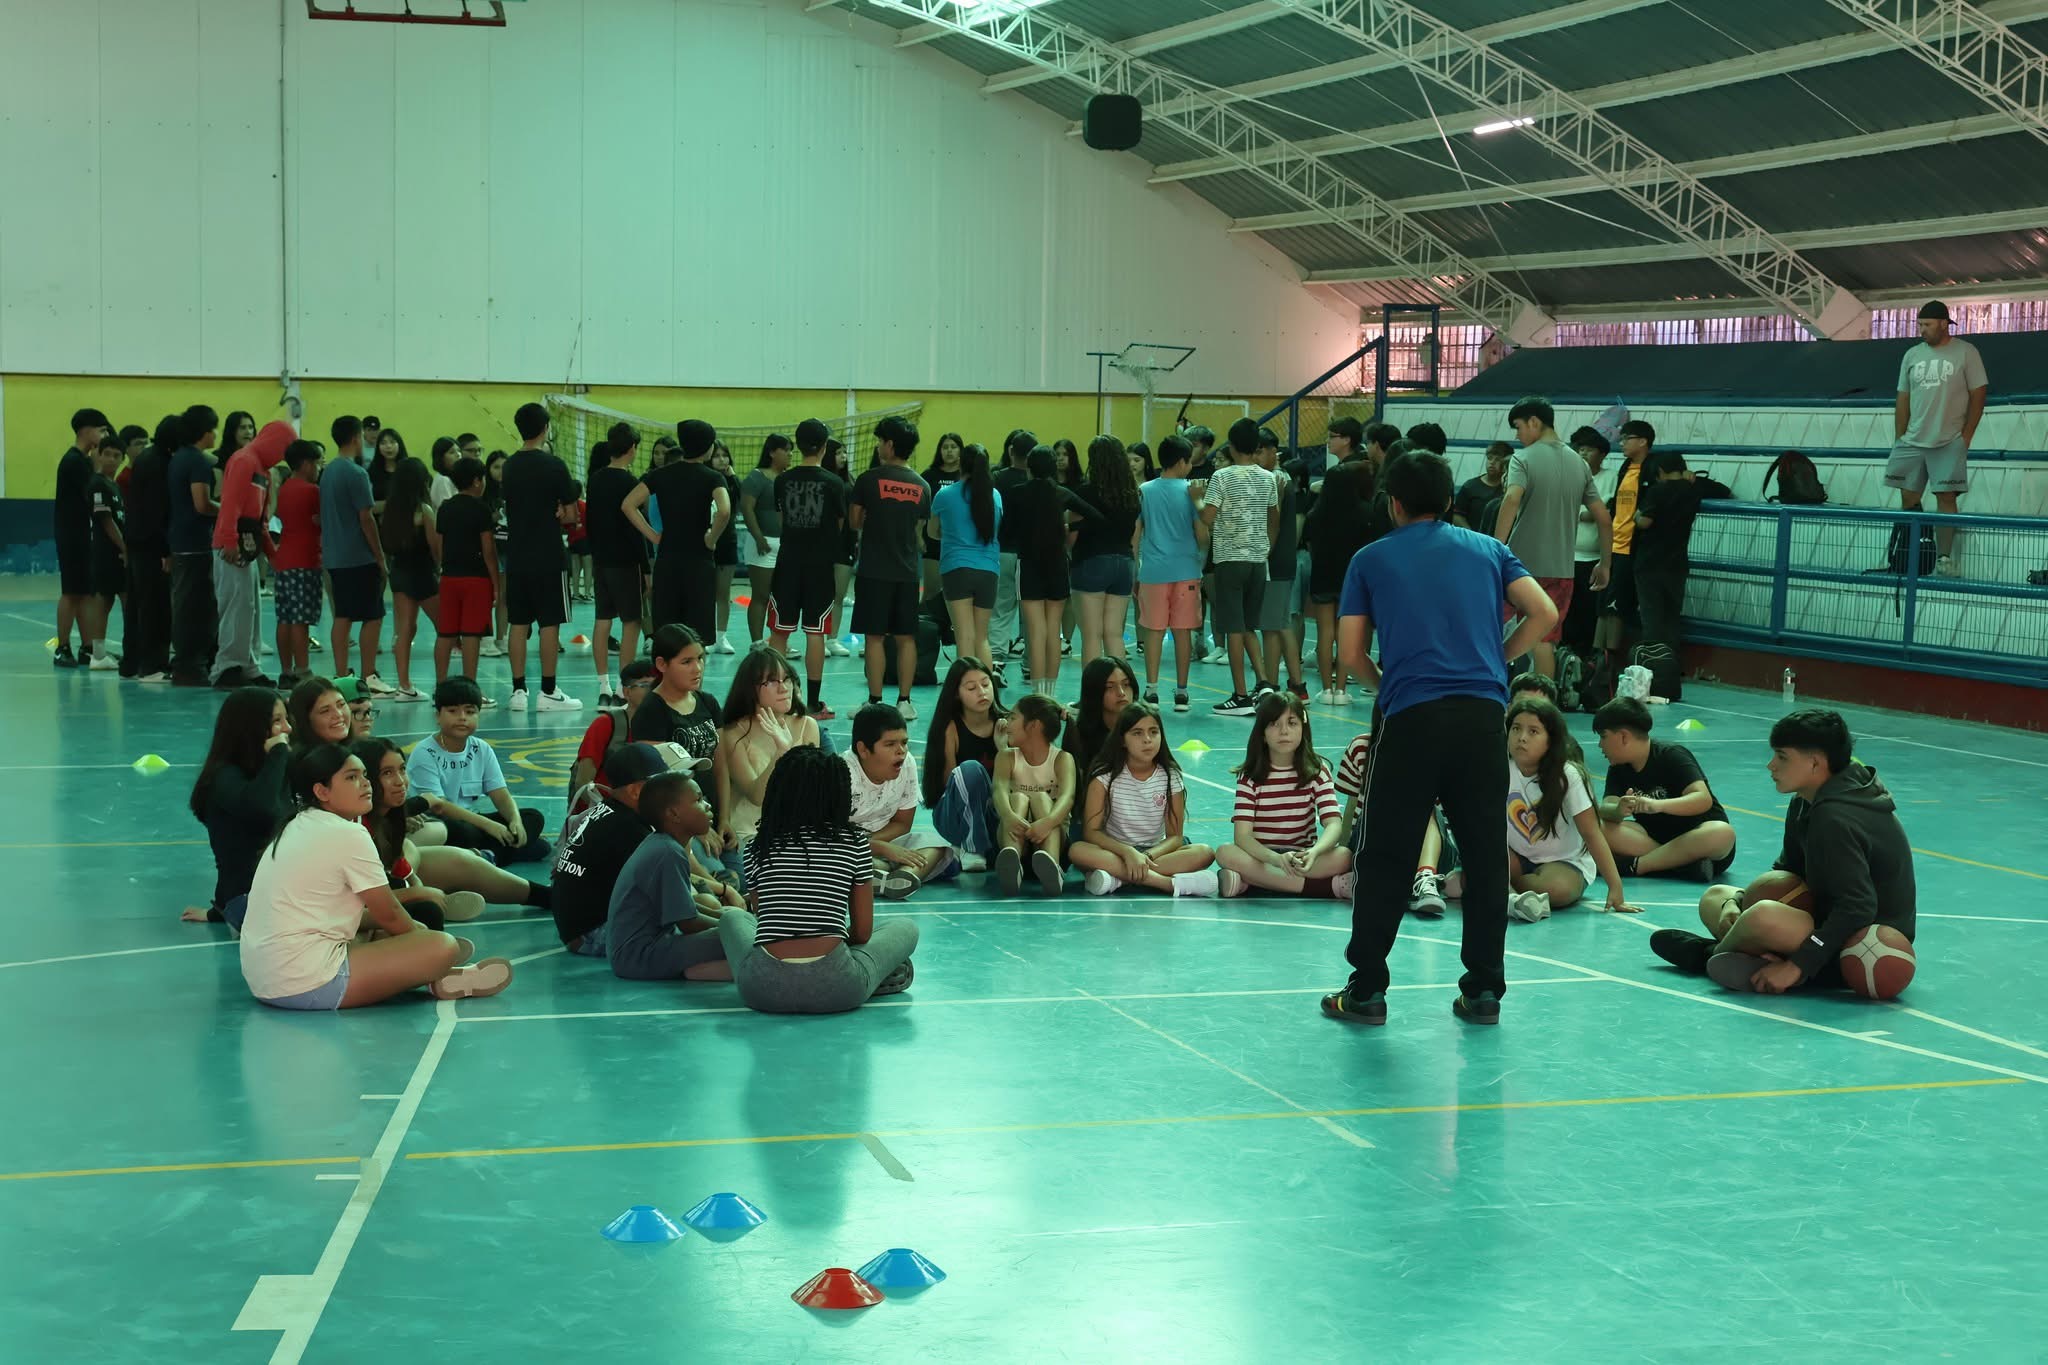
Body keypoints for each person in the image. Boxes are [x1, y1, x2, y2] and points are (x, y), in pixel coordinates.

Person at [1323, 449, 1560, 1028]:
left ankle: (1367, 989)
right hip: (1482, 718)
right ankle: (1483, 992)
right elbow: (1544, 612)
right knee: (1483, 854)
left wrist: (1390, 687)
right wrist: (1498, 661)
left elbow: (1351, 653)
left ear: (1393, 503)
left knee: (1387, 851)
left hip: (1411, 718)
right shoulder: (1488, 550)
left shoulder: (1370, 559)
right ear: (1451, 501)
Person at [1651, 710, 1917, 996]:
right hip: (1824, 920)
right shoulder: (1808, 799)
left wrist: (1798, 966)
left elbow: (1858, 908)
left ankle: (1708, 956)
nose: (1771, 765)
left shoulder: (1836, 817)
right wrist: (1739, 902)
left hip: (1860, 946)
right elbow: (1786, 872)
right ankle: (1750, 955)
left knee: (1762, 916)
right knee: (1717, 897)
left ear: (1815, 763)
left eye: (1782, 757)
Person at [239, 744, 513, 1008]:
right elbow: (389, 913)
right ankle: (437, 972)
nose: (365, 783)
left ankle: (432, 972)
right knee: (442, 945)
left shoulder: (296, 825)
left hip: (264, 979)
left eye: (364, 775)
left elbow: (350, 915)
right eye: (351, 777)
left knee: (379, 933)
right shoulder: (347, 833)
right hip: (308, 984)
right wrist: (419, 939)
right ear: (322, 791)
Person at [717, 745, 918, 1013]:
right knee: (904, 927)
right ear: (839, 793)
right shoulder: (855, 841)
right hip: (839, 987)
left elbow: (762, 921)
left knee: (732, 917)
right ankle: (872, 976)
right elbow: (862, 932)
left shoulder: (757, 846)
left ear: (778, 791)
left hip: (761, 990)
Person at [358, 736, 551, 916]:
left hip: (391, 881)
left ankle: (551, 897)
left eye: (402, 769)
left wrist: (416, 886)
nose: (400, 781)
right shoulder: (354, 825)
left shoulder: (392, 812)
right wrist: (418, 894)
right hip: (362, 905)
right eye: (387, 773)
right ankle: (424, 903)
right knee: (439, 933)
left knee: (460, 859)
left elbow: (431, 800)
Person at [1493, 397, 1611, 680]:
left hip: (1518, 567)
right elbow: (1604, 519)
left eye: (1518, 427)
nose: (1518, 435)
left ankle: (1486, 689)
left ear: (1534, 422)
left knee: (1490, 627)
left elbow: (1511, 499)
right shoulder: (1579, 463)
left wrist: (1494, 547)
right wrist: (1605, 564)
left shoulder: (1523, 458)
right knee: (1544, 640)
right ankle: (1543, 705)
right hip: (1561, 570)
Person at [1502, 698, 1635, 921]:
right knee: (1485, 858)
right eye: (1516, 729)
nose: (1522, 737)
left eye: (1533, 731)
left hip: (1564, 862)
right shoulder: (1500, 768)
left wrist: (1615, 887)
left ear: (1550, 741)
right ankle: (1512, 898)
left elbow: (1592, 833)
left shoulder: (1568, 775)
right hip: (1516, 856)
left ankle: (1501, 890)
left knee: (1556, 890)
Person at [1069, 701, 1217, 897]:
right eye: (1137, 733)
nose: (1147, 740)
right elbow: (1092, 832)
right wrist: (1128, 853)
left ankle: (1116, 880)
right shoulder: (1104, 776)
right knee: (1077, 850)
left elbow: (1175, 836)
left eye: (1153, 732)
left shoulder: (1170, 776)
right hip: (1115, 851)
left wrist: (1145, 856)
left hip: (1156, 853)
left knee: (1205, 852)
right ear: (1122, 740)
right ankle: (1166, 884)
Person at [1215, 691, 1349, 898]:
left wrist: (1314, 852)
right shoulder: (1250, 776)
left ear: (1303, 729)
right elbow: (1242, 837)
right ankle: (1324, 888)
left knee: (1344, 856)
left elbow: (1333, 824)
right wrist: (1276, 860)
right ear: (1262, 733)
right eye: (1274, 724)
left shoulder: (1317, 771)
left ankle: (1254, 881)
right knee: (1225, 852)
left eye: (1292, 723)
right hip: (1262, 856)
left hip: (1301, 857)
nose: (1283, 731)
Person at [1887, 300, 1987, 575]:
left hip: (1948, 439)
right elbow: (1902, 397)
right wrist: (1900, 436)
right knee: (1908, 497)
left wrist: (1966, 436)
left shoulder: (1966, 352)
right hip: (1912, 439)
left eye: (1927, 325)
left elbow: (1979, 394)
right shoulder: (1911, 355)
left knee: (1945, 496)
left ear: (1944, 324)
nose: (1922, 330)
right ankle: (1911, 554)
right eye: (1920, 325)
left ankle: (1943, 558)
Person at [605, 771, 733, 982]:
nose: (708, 805)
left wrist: (728, 918)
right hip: (639, 957)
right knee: (743, 936)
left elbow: (686, 908)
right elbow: (688, 924)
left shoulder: (664, 845)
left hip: (635, 953)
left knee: (732, 920)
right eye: (699, 800)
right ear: (674, 814)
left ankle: (701, 969)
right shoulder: (668, 853)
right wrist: (733, 926)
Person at [1591, 696, 1736, 881]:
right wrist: (1618, 809)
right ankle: (1683, 866)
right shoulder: (1618, 768)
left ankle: (1637, 866)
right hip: (1655, 841)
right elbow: (1606, 808)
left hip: (1698, 839)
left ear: (1624, 736)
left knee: (1723, 833)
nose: (1600, 745)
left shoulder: (1671, 755)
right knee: (1597, 827)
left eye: (1603, 737)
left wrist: (1657, 805)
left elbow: (1702, 799)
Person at [404, 676, 548, 861]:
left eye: (470, 711)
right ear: (437, 716)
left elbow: (501, 794)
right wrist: (489, 826)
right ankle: (497, 852)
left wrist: (515, 821)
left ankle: (488, 856)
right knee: (462, 831)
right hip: (440, 824)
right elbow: (440, 807)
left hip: (472, 821)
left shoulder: (481, 748)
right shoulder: (425, 752)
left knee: (533, 818)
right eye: (453, 711)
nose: (462, 717)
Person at [183, 687, 293, 928]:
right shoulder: (223, 777)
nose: (287, 729)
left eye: (287, 719)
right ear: (251, 728)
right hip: (251, 901)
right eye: (277, 721)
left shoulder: (267, 771)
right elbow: (260, 807)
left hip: (278, 894)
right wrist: (278, 752)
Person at [551, 742, 673, 957]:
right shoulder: (628, 829)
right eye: (662, 783)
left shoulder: (608, 812)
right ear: (636, 791)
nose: (671, 790)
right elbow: (670, 897)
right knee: (691, 935)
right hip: (594, 933)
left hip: (577, 930)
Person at [499, 402, 582, 712]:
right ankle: (548, 691)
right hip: (548, 555)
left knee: (517, 624)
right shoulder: (554, 465)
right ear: (546, 428)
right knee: (550, 624)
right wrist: (561, 512)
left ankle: (518, 691)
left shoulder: (509, 466)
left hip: (517, 555)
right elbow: (572, 516)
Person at [849, 416, 931, 718]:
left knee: (874, 637)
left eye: (880, 440)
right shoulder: (922, 486)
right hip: (908, 572)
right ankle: (905, 702)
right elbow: (918, 530)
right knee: (906, 637)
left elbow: (855, 522)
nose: (878, 446)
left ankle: (874, 700)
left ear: (890, 444)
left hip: (874, 571)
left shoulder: (869, 480)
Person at [770, 418, 851, 720]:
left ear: (797, 444)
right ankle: (814, 704)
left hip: (788, 562)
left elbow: (782, 522)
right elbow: (839, 525)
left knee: (780, 631)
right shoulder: (834, 483)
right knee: (815, 632)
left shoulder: (782, 480)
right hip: (819, 565)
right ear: (825, 446)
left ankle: (773, 701)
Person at [625, 417, 729, 645]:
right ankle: (695, 678)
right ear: (708, 447)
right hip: (699, 562)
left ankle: (665, 678)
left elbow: (628, 505)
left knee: (667, 633)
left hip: (667, 561)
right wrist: (712, 538)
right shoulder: (713, 477)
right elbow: (724, 511)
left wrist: (653, 535)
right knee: (696, 637)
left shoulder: (660, 475)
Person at [1200, 419, 1280, 716]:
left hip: (1230, 560)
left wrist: (1196, 502)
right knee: (1249, 625)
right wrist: (1265, 547)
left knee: (1233, 627)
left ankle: (1240, 695)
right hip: (1258, 560)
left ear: (1231, 447)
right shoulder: (1268, 477)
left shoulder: (1221, 477)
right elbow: (1275, 519)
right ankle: (1263, 682)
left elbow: (1208, 518)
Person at [1009, 444, 1101, 699]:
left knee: (1035, 633)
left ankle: (1038, 692)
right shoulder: (1061, 493)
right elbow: (1095, 516)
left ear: (1029, 467)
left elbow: (1006, 529)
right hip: (1058, 565)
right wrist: (1067, 524)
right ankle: (1050, 693)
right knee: (1053, 632)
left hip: (1029, 566)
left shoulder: (1017, 493)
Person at [718, 646, 823, 870]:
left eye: (787, 679)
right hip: (752, 833)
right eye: (772, 681)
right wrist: (781, 751)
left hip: (797, 830)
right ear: (751, 689)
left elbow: (813, 790)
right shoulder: (734, 733)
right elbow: (758, 796)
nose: (784, 687)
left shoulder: (807, 725)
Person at [845, 703, 956, 899]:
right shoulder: (842, 773)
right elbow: (830, 838)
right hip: (848, 846)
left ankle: (900, 878)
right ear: (863, 750)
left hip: (887, 841)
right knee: (838, 857)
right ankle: (882, 872)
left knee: (936, 844)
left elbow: (902, 823)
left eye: (904, 742)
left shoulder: (907, 763)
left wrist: (885, 847)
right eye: (890, 744)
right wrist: (878, 847)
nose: (901, 751)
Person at [628, 625, 729, 839]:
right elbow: (656, 788)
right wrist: (698, 828)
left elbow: (720, 766)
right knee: (718, 873)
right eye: (687, 662)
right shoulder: (652, 712)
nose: (698, 668)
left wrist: (726, 819)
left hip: (712, 819)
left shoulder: (708, 702)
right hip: (679, 828)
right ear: (662, 664)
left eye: (700, 658)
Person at [1301, 432, 1372, 706]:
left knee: (1323, 633)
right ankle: (1342, 690)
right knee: (1346, 634)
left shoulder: (1316, 514)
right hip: (1351, 579)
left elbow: (1308, 545)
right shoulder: (1365, 512)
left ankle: (1327, 688)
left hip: (1322, 575)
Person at [320, 415, 390, 692]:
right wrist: (380, 556)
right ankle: (369, 675)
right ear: (355, 438)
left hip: (334, 556)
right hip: (359, 556)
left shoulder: (328, 472)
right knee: (373, 615)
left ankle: (340, 675)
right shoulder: (357, 474)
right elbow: (366, 518)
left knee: (343, 615)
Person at [1135, 434, 1203, 714]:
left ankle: (1151, 690)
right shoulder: (1192, 491)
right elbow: (1202, 534)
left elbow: (1136, 531)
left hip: (1152, 570)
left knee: (1154, 630)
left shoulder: (1145, 490)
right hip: (1186, 569)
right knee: (1182, 631)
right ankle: (1182, 692)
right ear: (1181, 462)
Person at [922, 656, 1005, 871]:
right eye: (971, 687)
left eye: (986, 684)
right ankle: (972, 847)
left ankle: (999, 848)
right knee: (970, 770)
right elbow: (949, 785)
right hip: (954, 815)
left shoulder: (1006, 724)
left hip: (998, 811)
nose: (982, 692)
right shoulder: (950, 728)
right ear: (956, 694)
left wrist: (1004, 750)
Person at [990, 693, 1075, 896]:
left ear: (1034, 725)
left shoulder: (1062, 759)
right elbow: (999, 791)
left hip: (1051, 840)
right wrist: (1009, 816)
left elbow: (1067, 797)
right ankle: (1013, 865)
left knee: (1041, 798)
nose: (1006, 723)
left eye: (1013, 718)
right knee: (1017, 799)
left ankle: (1052, 868)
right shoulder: (1006, 757)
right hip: (1014, 838)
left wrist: (1048, 822)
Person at [585, 424, 645, 708]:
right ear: (632, 448)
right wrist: (645, 567)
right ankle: (624, 688)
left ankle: (603, 686)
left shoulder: (595, 479)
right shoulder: (631, 483)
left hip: (601, 560)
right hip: (625, 561)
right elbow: (636, 531)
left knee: (602, 620)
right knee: (631, 621)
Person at [932, 443, 1003, 675]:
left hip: (956, 569)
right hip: (989, 570)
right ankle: (987, 691)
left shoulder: (945, 495)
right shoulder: (995, 496)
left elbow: (933, 531)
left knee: (964, 635)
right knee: (982, 638)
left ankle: (965, 694)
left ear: (962, 463)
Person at [1071, 435, 1141, 665]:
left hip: (1092, 560)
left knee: (1092, 634)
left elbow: (1072, 535)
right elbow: (1134, 534)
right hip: (1124, 562)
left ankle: (1092, 696)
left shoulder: (1085, 492)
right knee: (1114, 633)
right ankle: (1121, 691)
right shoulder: (1132, 495)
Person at [168, 405, 222, 686]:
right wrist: (227, 511)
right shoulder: (198, 462)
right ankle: (189, 664)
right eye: (213, 430)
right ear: (205, 432)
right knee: (196, 608)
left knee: (185, 604)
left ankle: (187, 662)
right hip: (196, 543)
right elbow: (202, 504)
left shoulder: (178, 458)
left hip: (181, 540)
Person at [379, 457, 441, 702]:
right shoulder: (423, 511)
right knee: (444, 628)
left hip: (400, 572)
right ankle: (443, 682)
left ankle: (404, 685)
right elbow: (436, 548)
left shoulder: (391, 510)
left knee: (405, 629)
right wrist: (440, 569)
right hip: (423, 574)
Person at [53, 408, 110, 669]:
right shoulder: (74, 462)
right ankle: (61, 647)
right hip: (72, 535)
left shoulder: (83, 461)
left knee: (87, 592)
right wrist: (99, 467)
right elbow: (90, 493)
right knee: (72, 592)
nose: (104, 435)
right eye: (101, 430)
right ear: (86, 430)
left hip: (83, 535)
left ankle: (88, 648)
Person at [433, 454, 497, 686]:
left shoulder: (445, 508)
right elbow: (488, 550)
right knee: (471, 634)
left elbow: (440, 546)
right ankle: (470, 687)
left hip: (449, 577)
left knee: (445, 633)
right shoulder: (481, 509)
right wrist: (496, 584)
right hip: (476, 579)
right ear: (477, 481)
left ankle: (441, 686)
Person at [1252, 427, 1306, 700]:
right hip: (1278, 560)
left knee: (1273, 626)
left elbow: (1268, 523)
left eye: (1261, 451)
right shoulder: (1278, 477)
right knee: (1277, 623)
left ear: (1275, 452)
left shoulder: (1274, 480)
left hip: (1273, 560)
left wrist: (1261, 554)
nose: (1256, 457)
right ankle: (1290, 684)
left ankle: (1273, 685)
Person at [1630, 450, 1701, 658]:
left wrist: (1636, 516)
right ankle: (1670, 663)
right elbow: (1720, 489)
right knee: (1671, 616)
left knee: (1652, 616)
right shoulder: (1693, 490)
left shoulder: (1657, 491)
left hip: (1649, 562)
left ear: (1660, 471)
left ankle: (1652, 663)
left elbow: (1645, 521)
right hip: (1677, 563)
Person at [124, 416, 176, 683]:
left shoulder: (146, 459)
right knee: (155, 606)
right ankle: (153, 665)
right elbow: (158, 512)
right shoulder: (160, 464)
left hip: (138, 542)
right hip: (151, 545)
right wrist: (166, 550)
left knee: (137, 605)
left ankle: (131, 663)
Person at [569, 659, 658, 813]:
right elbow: (583, 782)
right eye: (644, 685)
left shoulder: (665, 725)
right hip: (603, 810)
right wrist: (604, 814)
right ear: (626, 692)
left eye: (656, 685)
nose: (652, 691)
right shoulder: (606, 724)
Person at [1597, 419, 1654, 656]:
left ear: (1642, 441)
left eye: (1626, 439)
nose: (1621, 443)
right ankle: (1597, 654)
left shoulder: (1652, 469)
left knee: (1618, 606)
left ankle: (1612, 657)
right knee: (1603, 604)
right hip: (1614, 544)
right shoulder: (1625, 467)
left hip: (1632, 548)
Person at [271, 439, 324, 689]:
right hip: (305, 558)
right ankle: (303, 670)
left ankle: (286, 670)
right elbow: (321, 521)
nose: (319, 469)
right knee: (300, 619)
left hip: (284, 559)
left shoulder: (283, 488)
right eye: (317, 463)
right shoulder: (311, 491)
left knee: (285, 617)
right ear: (305, 464)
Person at [989, 428, 1036, 671]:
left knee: (1001, 606)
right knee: (1031, 608)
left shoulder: (996, 478)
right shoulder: (1039, 483)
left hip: (1003, 551)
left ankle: (996, 657)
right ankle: (1030, 663)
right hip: (1031, 555)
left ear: (1010, 451)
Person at [1564, 426, 1613, 656]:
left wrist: (1583, 513)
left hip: (1593, 558)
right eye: (1580, 449)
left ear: (1602, 454)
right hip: (1565, 555)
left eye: (1589, 449)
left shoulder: (1610, 478)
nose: (1583, 453)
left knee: (1587, 610)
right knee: (1566, 608)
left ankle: (1585, 657)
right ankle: (1564, 652)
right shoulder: (1567, 476)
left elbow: (1601, 513)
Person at [739, 433, 791, 644]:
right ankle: (758, 643)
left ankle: (779, 643)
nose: (789, 454)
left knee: (782, 598)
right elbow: (747, 508)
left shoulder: (788, 478)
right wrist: (759, 538)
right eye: (786, 450)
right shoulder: (756, 478)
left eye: (791, 450)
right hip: (763, 546)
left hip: (785, 545)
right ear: (771, 452)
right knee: (761, 596)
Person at [82, 436, 127, 673]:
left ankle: (107, 654)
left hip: (116, 553)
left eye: (116, 455)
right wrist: (125, 548)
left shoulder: (114, 485)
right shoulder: (98, 484)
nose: (111, 459)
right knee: (105, 601)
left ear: (123, 458)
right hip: (107, 553)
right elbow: (106, 521)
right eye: (106, 453)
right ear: (98, 455)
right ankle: (98, 655)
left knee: (114, 600)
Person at [921, 432, 965, 606]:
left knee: (956, 594)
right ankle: (925, 629)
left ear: (961, 451)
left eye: (953, 447)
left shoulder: (965, 477)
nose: (949, 451)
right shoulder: (929, 476)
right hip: (932, 542)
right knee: (931, 593)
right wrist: (918, 536)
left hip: (958, 543)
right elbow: (920, 510)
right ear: (939, 451)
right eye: (945, 447)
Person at [707, 442, 740, 652]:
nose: (721, 459)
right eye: (717, 455)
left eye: (725, 455)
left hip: (727, 541)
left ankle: (721, 636)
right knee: (706, 593)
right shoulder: (705, 480)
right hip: (707, 540)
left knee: (723, 593)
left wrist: (733, 477)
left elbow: (737, 502)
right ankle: (707, 636)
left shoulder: (732, 482)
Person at [1455, 441, 1510, 531]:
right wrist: (1472, 535)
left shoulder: (1510, 488)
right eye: (1489, 458)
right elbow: (1457, 515)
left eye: (1497, 459)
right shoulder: (1470, 486)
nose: (1492, 462)